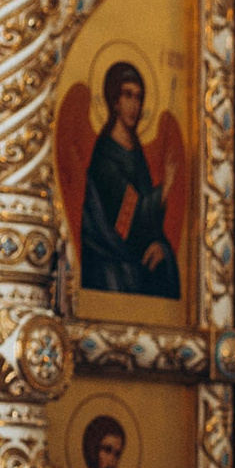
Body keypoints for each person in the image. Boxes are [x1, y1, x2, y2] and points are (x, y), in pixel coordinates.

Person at [81, 63, 180, 300]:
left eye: (139, 97)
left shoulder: (135, 153)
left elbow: (148, 226)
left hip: (136, 262)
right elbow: (129, 217)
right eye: (127, 95)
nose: (134, 105)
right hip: (112, 268)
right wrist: (165, 189)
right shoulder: (106, 156)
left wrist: (159, 246)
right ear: (114, 101)